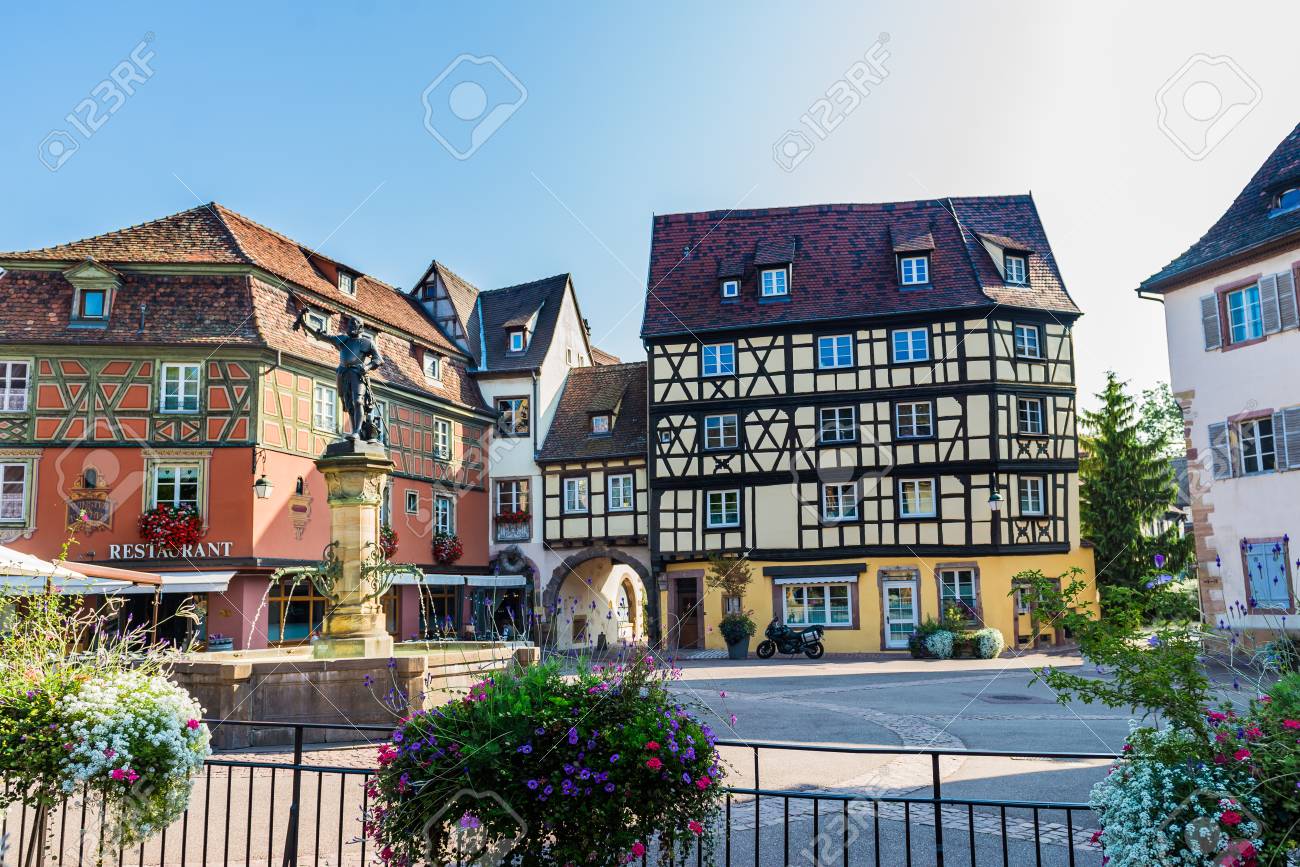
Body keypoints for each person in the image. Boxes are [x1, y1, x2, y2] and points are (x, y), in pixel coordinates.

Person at [294, 307, 383, 440]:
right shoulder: (343, 339)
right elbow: (321, 336)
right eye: (350, 323)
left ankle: (357, 431)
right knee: (348, 403)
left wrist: (368, 366)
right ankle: (355, 430)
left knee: (358, 401)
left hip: (357, 373)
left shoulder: (366, 343)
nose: (350, 326)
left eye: (354, 324)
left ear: (360, 328)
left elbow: (378, 359)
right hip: (342, 373)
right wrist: (305, 323)